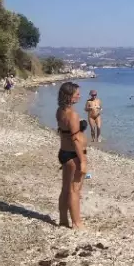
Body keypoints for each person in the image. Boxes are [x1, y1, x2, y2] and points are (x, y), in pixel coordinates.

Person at [55, 82, 88, 230]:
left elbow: (64, 132)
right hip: (74, 155)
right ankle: (76, 223)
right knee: (74, 190)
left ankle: (63, 220)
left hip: (64, 152)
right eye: (77, 93)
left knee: (65, 188)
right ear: (69, 96)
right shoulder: (72, 115)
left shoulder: (60, 111)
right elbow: (75, 139)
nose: (79, 95)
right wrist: (83, 161)